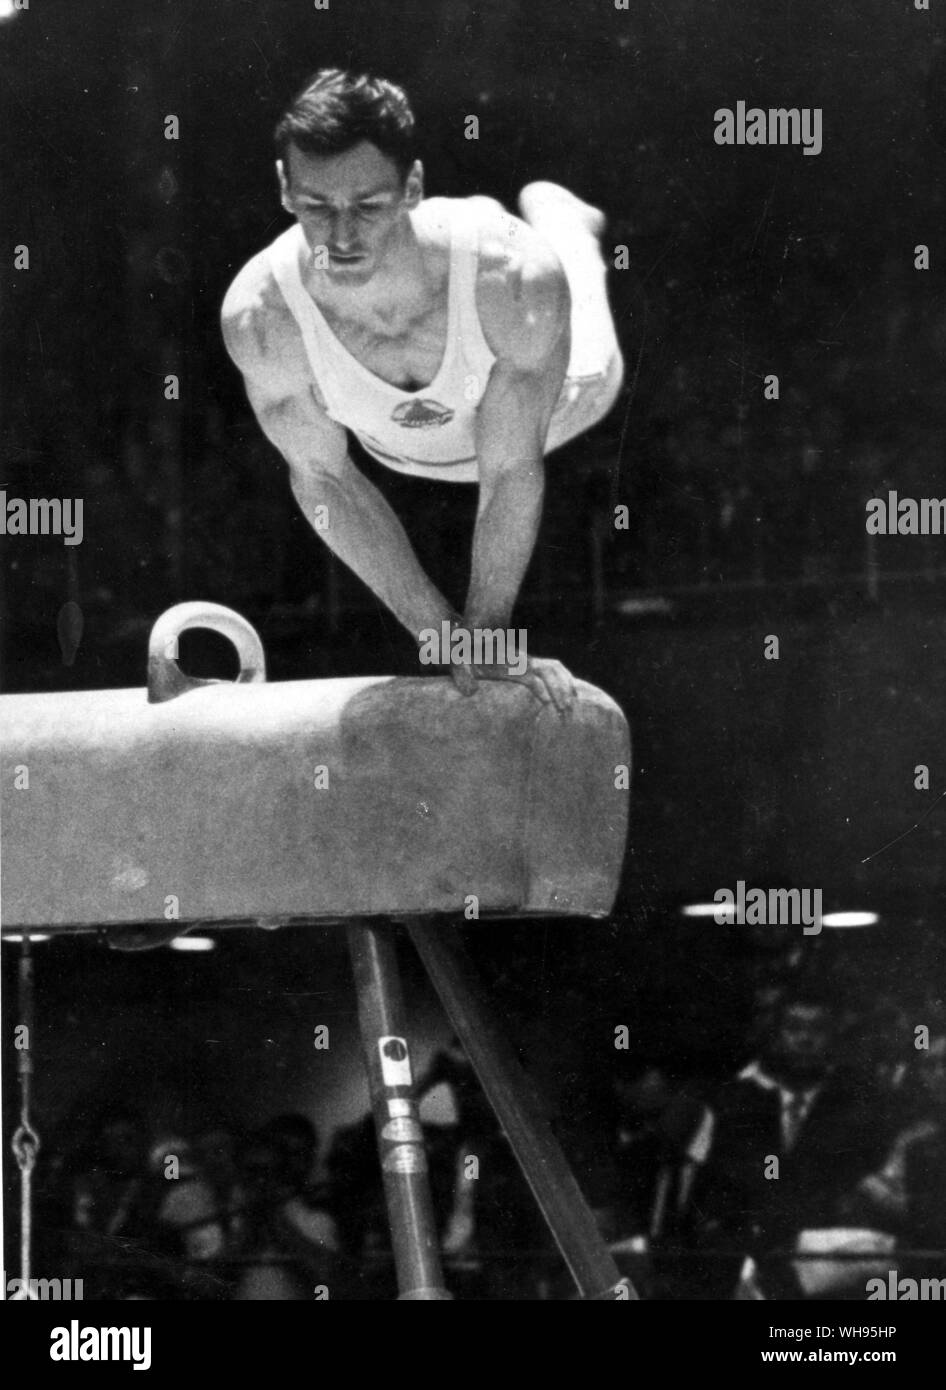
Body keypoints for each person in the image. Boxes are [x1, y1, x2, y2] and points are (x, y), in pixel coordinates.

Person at [222, 69, 624, 712]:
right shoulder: (262, 317)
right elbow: (324, 480)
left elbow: (512, 470)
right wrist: (442, 638)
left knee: (552, 287)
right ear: (283, 188)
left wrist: (485, 639)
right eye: (317, 208)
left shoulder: (512, 282)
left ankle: (568, 231)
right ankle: (485, 218)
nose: (343, 238)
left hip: (557, 409)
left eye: (369, 207)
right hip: (394, 446)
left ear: (411, 186)